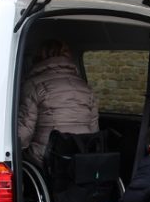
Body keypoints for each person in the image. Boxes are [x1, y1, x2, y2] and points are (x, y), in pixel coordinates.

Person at [18, 39, 99, 168]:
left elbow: (24, 134)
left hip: (48, 156)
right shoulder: (86, 88)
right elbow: (94, 129)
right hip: (81, 156)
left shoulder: (33, 85)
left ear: (39, 57)